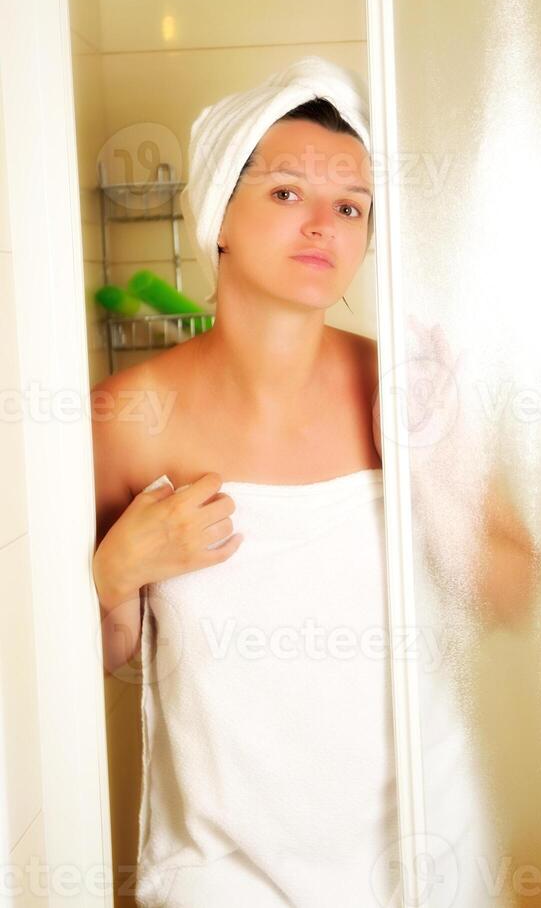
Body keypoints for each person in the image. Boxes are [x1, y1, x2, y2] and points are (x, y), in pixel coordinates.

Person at [91, 58, 399, 907]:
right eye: (285, 193)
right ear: (218, 215)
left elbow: (512, 593)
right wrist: (116, 575)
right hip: (217, 870)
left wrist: (444, 479)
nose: (322, 227)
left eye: (349, 208)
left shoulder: (408, 395)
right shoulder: (125, 416)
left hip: (408, 847)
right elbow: (72, 658)